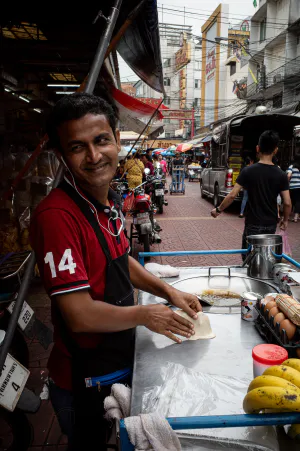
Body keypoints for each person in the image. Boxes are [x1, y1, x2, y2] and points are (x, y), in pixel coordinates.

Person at [30, 93, 201, 451]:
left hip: (117, 362)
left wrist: (170, 293)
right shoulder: (57, 217)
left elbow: (120, 258)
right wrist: (144, 314)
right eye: (78, 147)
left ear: (117, 140)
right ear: (62, 155)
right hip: (85, 379)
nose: (93, 156)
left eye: (101, 140)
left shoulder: (104, 202)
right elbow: (78, 315)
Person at [211, 130, 292, 256]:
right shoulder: (281, 174)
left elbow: (232, 195)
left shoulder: (248, 171)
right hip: (270, 223)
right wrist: (285, 220)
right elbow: (287, 203)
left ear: (257, 148)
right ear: (276, 150)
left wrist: (218, 210)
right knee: (266, 256)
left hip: (252, 223)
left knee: (249, 256)